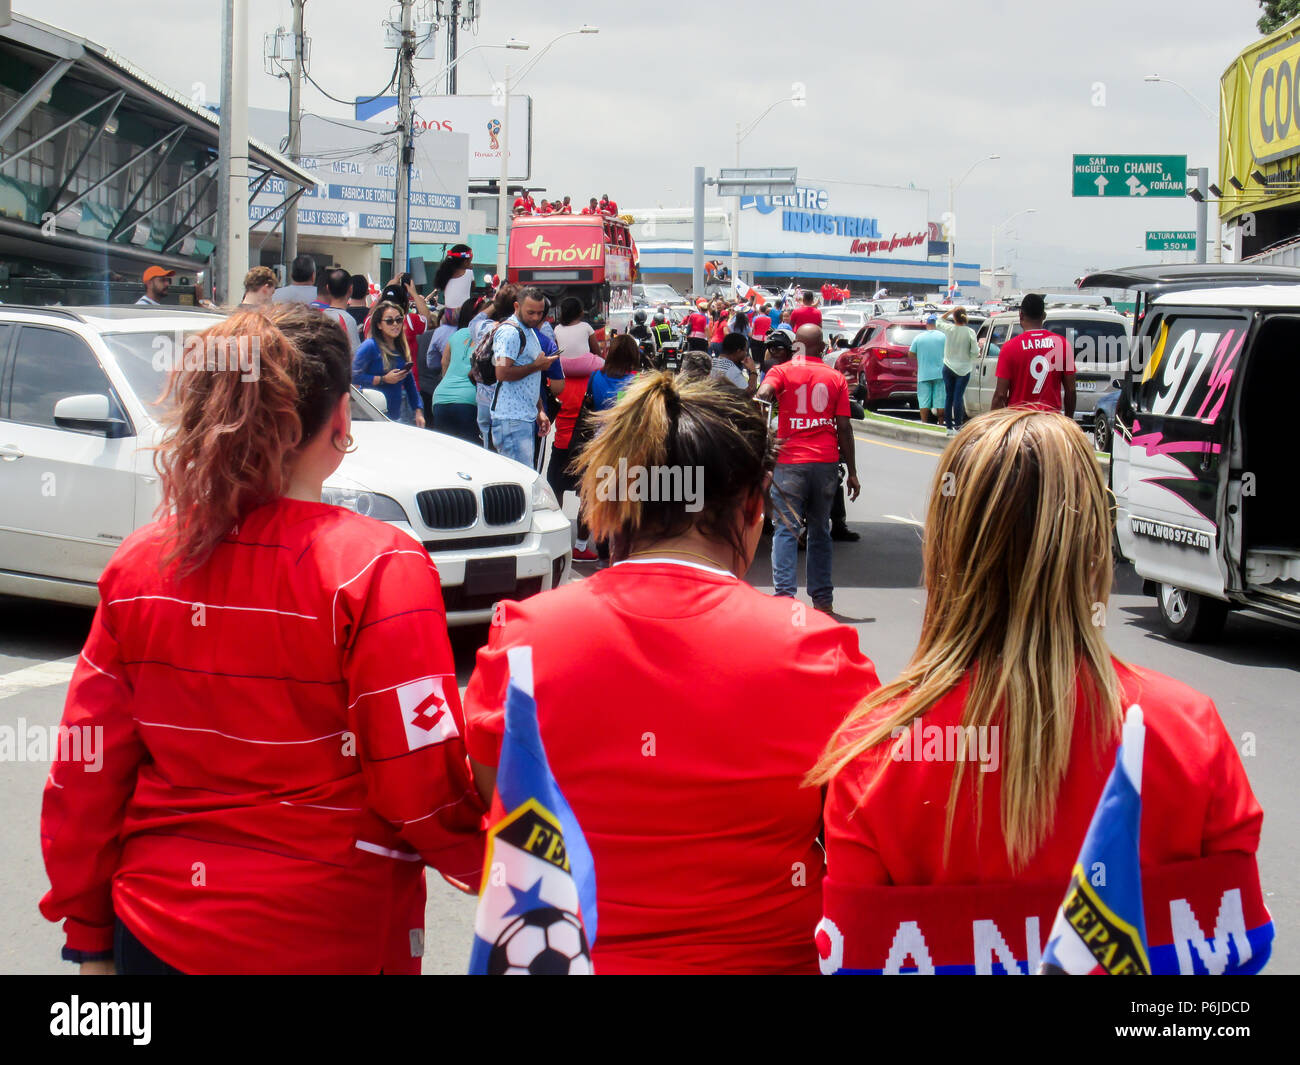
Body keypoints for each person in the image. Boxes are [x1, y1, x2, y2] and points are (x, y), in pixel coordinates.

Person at [39, 304, 486, 975]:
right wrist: (497, 859)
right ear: (340, 422)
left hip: (157, 931)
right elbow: (418, 780)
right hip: (332, 934)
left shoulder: (141, 564)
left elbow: (87, 766)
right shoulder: (377, 566)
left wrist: (90, 935)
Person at [812, 410, 1264, 972]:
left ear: (946, 547)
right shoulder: (1189, 728)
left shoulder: (874, 754)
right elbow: (1235, 959)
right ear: (1094, 548)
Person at [462, 372, 880, 974]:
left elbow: (495, 805)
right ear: (755, 505)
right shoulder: (821, 652)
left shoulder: (522, 640)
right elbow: (861, 848)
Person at [756, 324, 859, 615]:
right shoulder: (836, 377)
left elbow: (764, 394)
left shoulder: (781, 371)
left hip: (790, 463)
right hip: (825, 463)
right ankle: (823, 601)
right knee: (819, 531)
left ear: (797, 345)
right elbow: (844, 428)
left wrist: (764, 399)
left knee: (786, 530)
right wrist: (852, 471)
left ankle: (785, 598)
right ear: (823, 347)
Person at [549, 297, 604, 562]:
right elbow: (597, 354)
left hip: (561, 442)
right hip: (585, 444)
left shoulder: (557, 383)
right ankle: (581, 545)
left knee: (555, 490)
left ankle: (556, 538)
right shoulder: (594, 381)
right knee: (587, 495)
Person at [489, 286, 557, 466]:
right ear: (517, 307)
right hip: (511, 420)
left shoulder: (529, 330)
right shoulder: (510, 332)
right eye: (531, 312)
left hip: (522, 417)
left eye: (540, 313)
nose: (535, 317)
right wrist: (537, 365)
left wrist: (539, 411)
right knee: (518, 484)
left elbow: (529, 381)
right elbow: (502, 372)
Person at [992, 292, 1076, 417]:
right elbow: (1071, 390)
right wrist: (1069, 421)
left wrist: (994, 427)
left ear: (1021, 315)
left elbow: (1000, 395)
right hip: (1050, 421)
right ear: (1044, 316)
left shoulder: (1009, 347)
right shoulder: (1062, 344)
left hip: (1019, 420)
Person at [354, 299, 425, 427]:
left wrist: (418, 410)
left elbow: (409, 382)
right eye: (389, 321)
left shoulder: (401, 348)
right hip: (372, 417)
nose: (395, 324)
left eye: (398, 320)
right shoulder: (370, 346)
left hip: (395, 417)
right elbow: (352, 376)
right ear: (379, 325)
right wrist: (383, 379)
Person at [431, 295, 486, 444]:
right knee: (469, 452)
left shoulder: (456, 335)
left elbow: (444, 363)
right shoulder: (489, 334)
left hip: (441, 397)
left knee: (446, 450)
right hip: (469, 400)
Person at [938, 306, 979, 434]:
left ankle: (949, 427)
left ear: (954, 318)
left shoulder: (949, 329)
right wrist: (970, 357)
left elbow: (938, 320)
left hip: (948, 366)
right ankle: (958, 426)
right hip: (964, 368)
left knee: (949, 396)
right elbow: (975, 351)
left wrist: (949, 312)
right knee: (958, 396)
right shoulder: (970, 332)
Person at [909, 314, 947, 425]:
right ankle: (941, 422)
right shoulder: (943, 337)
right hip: (940, 374)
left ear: (927, 324)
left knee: (924, 401)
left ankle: (924, 423)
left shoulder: (919, 337)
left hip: (924, 374)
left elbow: (911, 354)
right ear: (937, 325)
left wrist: (921, 357)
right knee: (940, 400)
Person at [320, 267, 360, 353]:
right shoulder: (347, 320)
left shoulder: (318, 316)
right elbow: (355, 356)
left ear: (328, 288)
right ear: (351, 289)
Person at [433, 244, 474, 326]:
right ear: (465, 262)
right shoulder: (469, 273)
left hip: (447, 314)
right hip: (463, 314)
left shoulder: (444, 275)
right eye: (470, 261)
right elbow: (472, 287)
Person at [711, 331, 758, 396]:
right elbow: (749, 392)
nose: (746, 354)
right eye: (745, 350)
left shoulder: (711, 362)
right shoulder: (732, 370)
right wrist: (753, 371)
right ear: (738, 351)